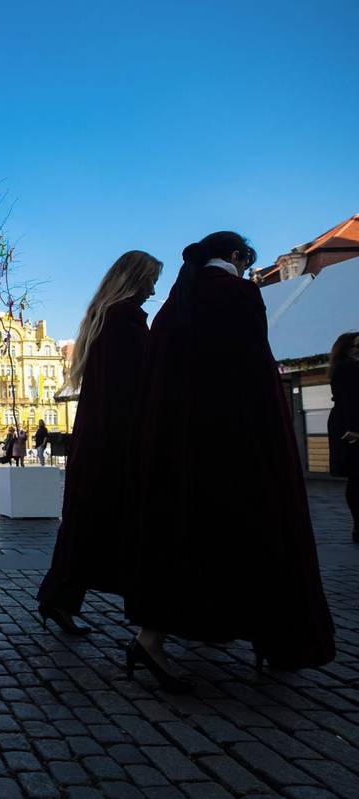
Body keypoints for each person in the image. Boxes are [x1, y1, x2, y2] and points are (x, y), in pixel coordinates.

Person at [126, 231, 334, 691]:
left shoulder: (172, 308)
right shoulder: (238, 294)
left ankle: (151, 638)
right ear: (236, 257)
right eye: (245, 263)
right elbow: (255, 373)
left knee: (186, 539)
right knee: (259, 537)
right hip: (237, 443)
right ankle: (276, 636)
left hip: (182, 450)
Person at [36, 251, 163, 638]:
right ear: (134, 279)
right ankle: (146, 612)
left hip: (98, 439)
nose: (153, 290)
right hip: (115, 441)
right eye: (151, 280)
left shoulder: (105, 318)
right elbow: (133, 386)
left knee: (85, 526)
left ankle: (58, 599)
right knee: (106, 525)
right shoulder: (124, 321)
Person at [327, 331, 359, 543]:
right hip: (350, 426)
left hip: (351, 422)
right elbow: (347, 400)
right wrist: (353, 428)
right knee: (356, 477)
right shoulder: (344, 369)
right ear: (348, 349)